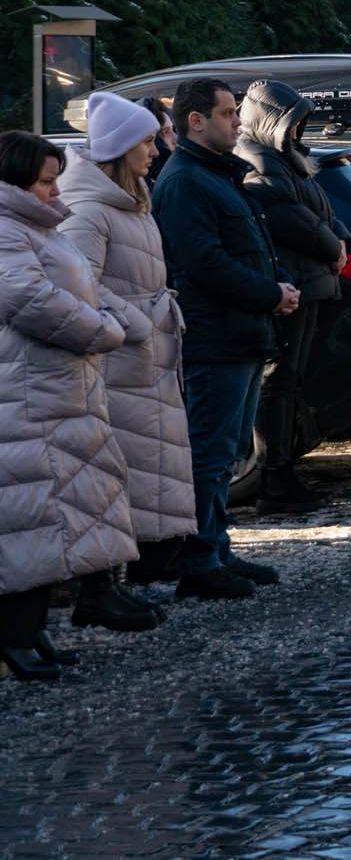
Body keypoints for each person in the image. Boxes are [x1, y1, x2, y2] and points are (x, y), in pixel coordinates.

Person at [0, 132, 154, 681]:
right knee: (31, 517)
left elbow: (82, 285)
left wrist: (117, 320)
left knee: (53, 514)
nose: (53, 190)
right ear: (17, 181)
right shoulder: (7, 229)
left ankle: (31, 630)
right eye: (44, 182)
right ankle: (14, 636)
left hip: (57, 391)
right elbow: (30, 299)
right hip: (27, 395)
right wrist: (103, 330)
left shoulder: (35, 225)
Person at [154, 78, 294, 597]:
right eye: (229, 113)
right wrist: (267, 293)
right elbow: (203, 262)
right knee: (211, 453)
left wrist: (273, 290)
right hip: (216, 336)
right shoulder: (186, 180)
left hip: (242, 332)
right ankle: (199, 563)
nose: (238, 122)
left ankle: (217, 549)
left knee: (228, 451)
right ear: (197, 120)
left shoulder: (215, 174)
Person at [58, 94, 196, 591]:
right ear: (119, 149)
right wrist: (138, 323)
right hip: (124, 361)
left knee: (155, 465)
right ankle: (115, 582)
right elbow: (79, 285)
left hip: (149, 359)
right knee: (129, 468)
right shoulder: (91, 211)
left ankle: (151, 564)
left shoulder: (133, 200)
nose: (156, 149)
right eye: (145, 141)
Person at [236, 80, 351, 516]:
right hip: (291, 281)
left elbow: (319, 210)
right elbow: (288, 217)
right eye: (294, 122)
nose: (300, 130)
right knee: (278, 380)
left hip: (307, 278)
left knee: (289, 379)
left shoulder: (283, 158)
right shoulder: (258, 158)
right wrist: (333, 246)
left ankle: (281, 471)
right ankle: (273, 475)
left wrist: (342, 241)